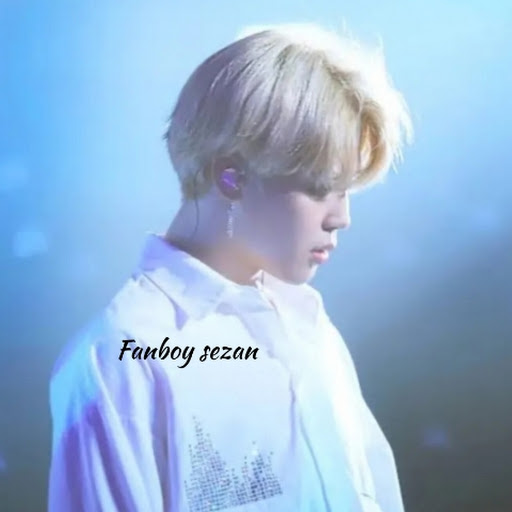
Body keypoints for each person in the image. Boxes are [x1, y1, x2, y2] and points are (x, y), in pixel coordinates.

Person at [48, 22, 413, 512]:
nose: (341, 217)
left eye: (347, 189)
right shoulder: (124, 358)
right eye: (321, 187)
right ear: (230, 177)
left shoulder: (311, 331)